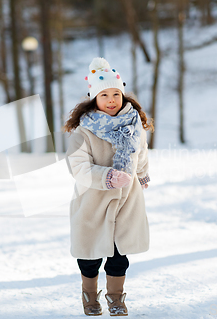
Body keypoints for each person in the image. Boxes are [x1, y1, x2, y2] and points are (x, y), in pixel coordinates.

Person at [62, 57, 154, 316]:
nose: (112, 99)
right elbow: (78, 168)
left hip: (127, 200)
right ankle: (89, 296)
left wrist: (143, 174)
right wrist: (108, 177)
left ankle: (116, 298)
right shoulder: (84, 132)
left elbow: (141, 153)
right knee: (90, 254)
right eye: (105, 95)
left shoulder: (134, 125)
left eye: (116, 93)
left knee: (119, 254)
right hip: (93, 200)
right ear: (94, 98)